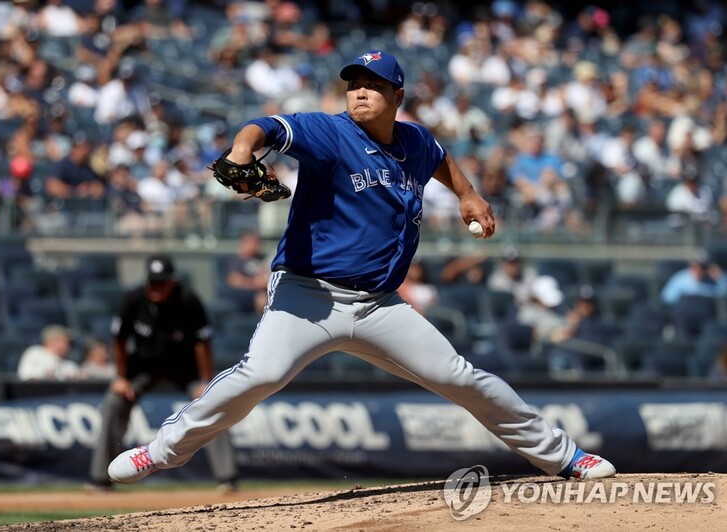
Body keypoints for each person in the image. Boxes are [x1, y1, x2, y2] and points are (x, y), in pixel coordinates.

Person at [108, 50, 615, 485]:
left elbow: (439, 156)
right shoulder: (330, 134)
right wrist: (243, 150)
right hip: (307, 297)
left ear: (397, 95)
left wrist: (467, 193)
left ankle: (565, 457)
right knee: (261, 374)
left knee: (462, 378)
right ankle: (161, 451)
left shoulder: (414, 141)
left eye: (373, 85)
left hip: (378, 306)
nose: (360, 93)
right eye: (354, 85)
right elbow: (267, 127)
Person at [89, 254, 239, 491]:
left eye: (162, 282)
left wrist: (204, 381)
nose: (156, 288)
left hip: (184, 369)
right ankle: (101, 478)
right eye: (153, 282)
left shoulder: (188, 300)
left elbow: (203, 343)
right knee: (113, 402)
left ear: (173, 281)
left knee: (213, 401)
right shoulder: (133, 299)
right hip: (143, 369)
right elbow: (118, 339)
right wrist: (121, 377)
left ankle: (227, 477)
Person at [660, 249, 727, 305]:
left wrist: (721, 278)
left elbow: (722, 296)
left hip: (706, 316)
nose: (699, 270)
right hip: (685, 315)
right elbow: (667, 298)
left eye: (704, 267)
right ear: (691, 266)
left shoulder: (712, 280)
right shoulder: (681, 279)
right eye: (696, 266)